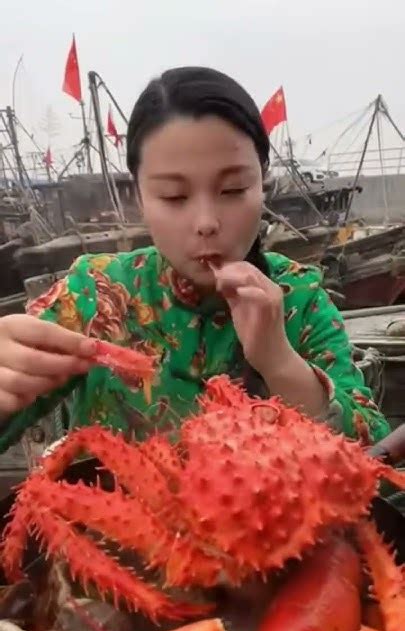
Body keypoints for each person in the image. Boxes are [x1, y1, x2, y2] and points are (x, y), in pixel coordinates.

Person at [0, 67, 390, 453]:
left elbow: (376, 457)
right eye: (173, 196)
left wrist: (280, 362)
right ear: (139, 196)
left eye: (234, 189)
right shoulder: (95, 296)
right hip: (114, 513)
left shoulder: (299, 299)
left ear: (262, 184)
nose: (206, 223)